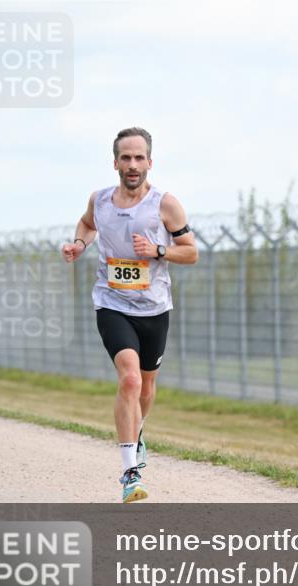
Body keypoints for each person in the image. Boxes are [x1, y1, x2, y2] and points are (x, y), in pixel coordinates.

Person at [62, 127, 198, 502]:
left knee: (147, 386)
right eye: (126, 158)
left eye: (140, 158)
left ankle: (137, 433)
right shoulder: (100, 201)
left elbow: (190, 252)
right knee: (130, 380)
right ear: (115, 163)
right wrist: (78, 244)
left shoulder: (165, 205)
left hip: (154, 308)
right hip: (112, 302)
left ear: (149, 163)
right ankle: (129, 473)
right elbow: (88, 225)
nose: (133, 164)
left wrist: (158, 250)